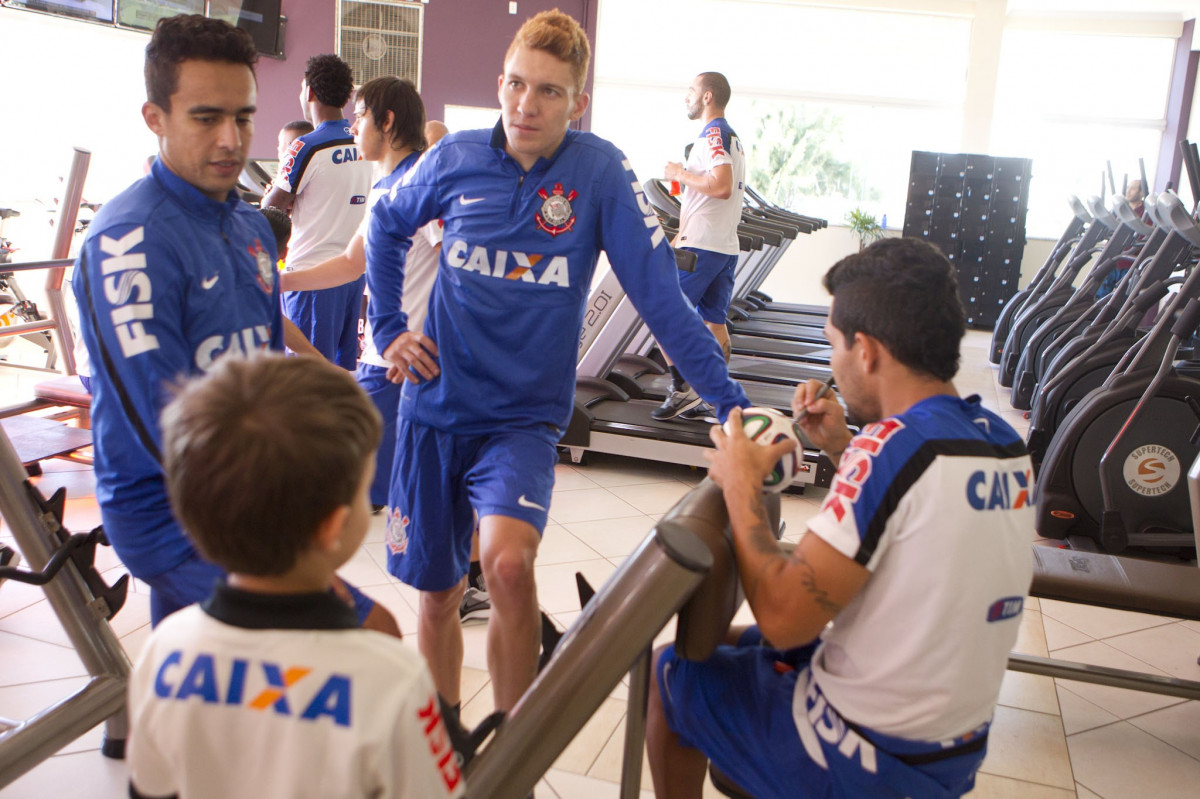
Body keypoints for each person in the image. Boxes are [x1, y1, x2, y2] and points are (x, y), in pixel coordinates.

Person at [366, 9, 749, 717]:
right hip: (434, 407)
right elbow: (386, 224)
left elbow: (663, 300)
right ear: (501, 81)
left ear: (578, 101)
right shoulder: (453, 159)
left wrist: (732, 405)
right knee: (439, 592)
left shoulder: (598, 172)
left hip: (521, 420)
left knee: (508, 566)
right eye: (516, 84)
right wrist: (389, 327)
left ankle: (513, 761)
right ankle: (450, 750)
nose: (525, 105)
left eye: (547, 91)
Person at [646, 237, 1035, 799]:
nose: (832, 364)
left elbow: (784, 617)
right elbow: (918, 522)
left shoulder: (889, 450)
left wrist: (741, 487)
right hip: (950, 745)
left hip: (867, 756)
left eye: (834, 345)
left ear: (868, 352)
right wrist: (840, 447)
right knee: (725, 642)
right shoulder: (1001, 442)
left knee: (670, 673)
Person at [72, 14, 393, 634]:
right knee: (368, 630)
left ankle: (157, 732)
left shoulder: (249, 227)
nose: (230, 139)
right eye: (205, 117)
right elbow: (156, 421)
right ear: (155, 118)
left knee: (199, 671)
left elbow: (267, 359)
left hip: (244, 490)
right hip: (166, 507)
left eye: (243, 117)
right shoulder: (126, 241)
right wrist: (271, 521)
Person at [127, 352, 464, 799]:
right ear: (332, 526)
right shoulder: (391, 677)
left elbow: (150, 789)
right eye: (364, 490)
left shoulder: (164, 652)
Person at [280, 77, 433, 515]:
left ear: (386, 122)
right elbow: (351, 262)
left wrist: (438, 340)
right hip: (383, 357)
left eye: (360, 117)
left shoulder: (420, 184)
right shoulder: (385, 187)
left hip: (405, 358)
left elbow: (455, 262)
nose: (352, 128)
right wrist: (282, 283)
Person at [263, 54, 373, 370]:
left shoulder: (305, 147)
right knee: (341, 372)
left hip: (310, 277)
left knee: (306, 376)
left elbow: (271, 208)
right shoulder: (363, 143)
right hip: (352, 276)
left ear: (309, 91)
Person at [653, 71, 747, 422]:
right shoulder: (732, 136)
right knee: (714, 321)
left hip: (704, 246)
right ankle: (716, 394)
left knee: (663, 312)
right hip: (722, 245)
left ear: (707, 96)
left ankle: (683, 389)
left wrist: (679, 173)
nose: (686, 96)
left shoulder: (712, 135)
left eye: (691, 90)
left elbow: (721, 186)